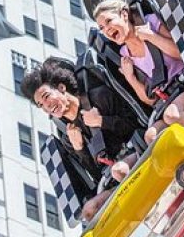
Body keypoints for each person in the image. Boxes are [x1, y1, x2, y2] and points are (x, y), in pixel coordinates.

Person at [21, 58, 139, 221]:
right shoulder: (68, 137)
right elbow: (96, 175)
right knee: (89, 211)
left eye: (47, 97)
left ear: (61, 88)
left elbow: (135, 123)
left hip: (136, 154)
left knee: (120, 170)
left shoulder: (99, 98)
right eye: (41, 105)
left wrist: (102, 121)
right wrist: (80, 149)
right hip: (113, 178)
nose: (47, 106)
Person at [92, 0, 184, 145]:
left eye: (109, 21)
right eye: (102, 28)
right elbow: (149, 100)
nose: (106, 29)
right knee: (151, 137)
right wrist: (130, 77)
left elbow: (182, 53)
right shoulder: (125, 55)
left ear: (124, 15)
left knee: (172, 115)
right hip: (168, 98)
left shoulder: (150, 22)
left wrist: (152, 36)